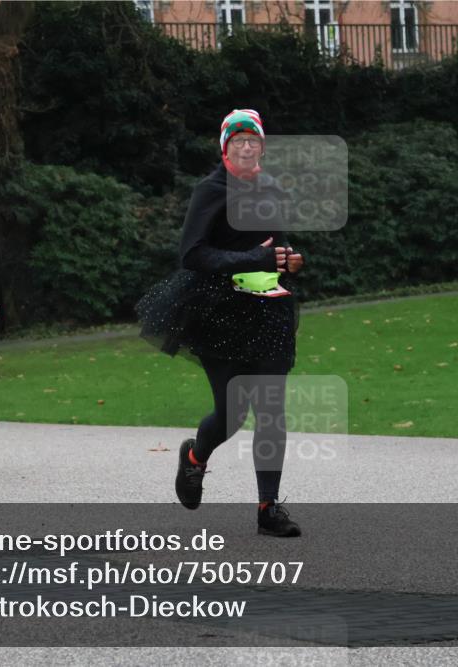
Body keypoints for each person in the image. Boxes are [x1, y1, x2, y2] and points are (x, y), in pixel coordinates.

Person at [136, 109, 305, 537]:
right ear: (225, 147)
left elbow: (275, 244)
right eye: (238, 141)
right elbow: (192, 255)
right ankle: (194, 457)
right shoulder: (210, 191)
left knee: (271, 412)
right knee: (233, 412)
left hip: (268, 308)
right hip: (217, 311)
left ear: (262, 147)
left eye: (253, 141)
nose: (247, 147)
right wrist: (254, 258)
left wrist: (289, 259)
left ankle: (269, 508)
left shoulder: (271, 188)